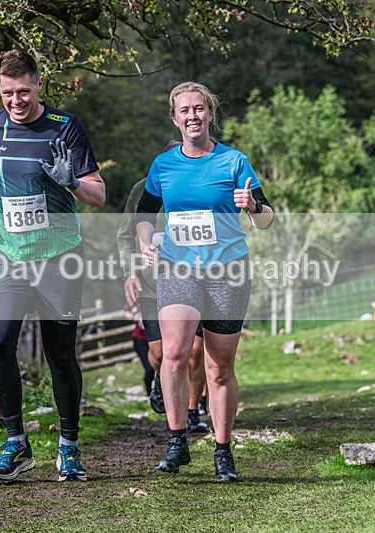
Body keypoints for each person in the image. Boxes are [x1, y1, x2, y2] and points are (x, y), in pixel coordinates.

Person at [0, 50, 105, 482]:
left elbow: (99, 194)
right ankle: (16, 443)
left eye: (23, 91)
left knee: (60, 354)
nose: (16, 101)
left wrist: (71, 181)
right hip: (7, 253)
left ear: (39, 85)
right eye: (7, 92)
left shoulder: (65, 127)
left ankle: (69, 446)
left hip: (59, 255)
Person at [135, 81, 274, 482]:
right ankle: (177, 440)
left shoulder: (233, 162)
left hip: (228, 271)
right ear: (175, 118)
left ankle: (223, 450)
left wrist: (253, 206)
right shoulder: (163, 165)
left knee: (218, 367)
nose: (192, 116)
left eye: (199, 109)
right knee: (175, 353)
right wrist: (147, 243)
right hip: (178, 269)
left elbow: (266, 219)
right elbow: (144, 214)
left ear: (210, 114)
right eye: (185, 111)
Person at [117, 145, 209, 434]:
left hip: (193, 279)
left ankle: (192, 410)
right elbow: (125, 234)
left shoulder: (202, 188)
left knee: (194, 350)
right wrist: (129, 272)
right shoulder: (142, 190)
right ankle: (163, 378)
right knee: (158, 353)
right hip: (151, 285)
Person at [123, 302, 154, 396]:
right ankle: (149, 394)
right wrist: (133, 317)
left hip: (154, 338)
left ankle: (160, 392)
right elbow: (125, 311)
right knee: (149, 368)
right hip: (140, 340)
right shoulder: (136, 297)